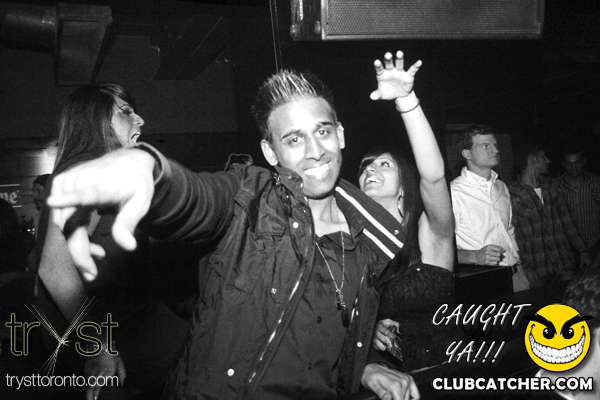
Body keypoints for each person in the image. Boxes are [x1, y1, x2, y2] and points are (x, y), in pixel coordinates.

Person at [45, 53, 422, 399]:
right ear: (271, 152)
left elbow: (322, 326)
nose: (314, 151)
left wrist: (365, 366)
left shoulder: (368, 241)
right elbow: (197, 197)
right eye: (294, 139)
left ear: (339, 135)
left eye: (321, 132)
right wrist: (154, 174)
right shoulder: (250, 195)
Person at [37, 83, 188, 400]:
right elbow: (54, 270)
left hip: (127, 321)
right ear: (96, 119)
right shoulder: (87, 171)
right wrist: (99, 347)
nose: (140, 119)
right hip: (110, 331)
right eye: (126, 112)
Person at [357, 52, 458, 372]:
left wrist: (406, 101)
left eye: (383, 164)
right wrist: (367, 328)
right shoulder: (356, 246)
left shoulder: (430, 232)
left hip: (448, 372)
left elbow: (434, 176)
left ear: (402, 185)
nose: (371, 170)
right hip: (394, 378)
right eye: (366, 167)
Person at [450, 125, 530, 292]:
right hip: (480, 280)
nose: (495, 150)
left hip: (515, 273)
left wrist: (520, 268)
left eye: (495, 145)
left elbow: (508, 231)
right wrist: (473, 256)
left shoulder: (501, 186)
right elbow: (439, 247)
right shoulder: (453, 193)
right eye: (486, 146)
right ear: (467, 153)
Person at [509, 142, 590, 287]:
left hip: (564, 264)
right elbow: (512, 237)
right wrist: (525, 268)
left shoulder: (553, 186)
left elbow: (568, 223)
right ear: (532, 160)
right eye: (543, 157)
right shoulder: (512, 194)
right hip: (537, 269)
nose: (548, 160)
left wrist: (583, 251)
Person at [557, 144, 600, 265]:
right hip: (568, 248)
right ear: (563, 164)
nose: (573, 167)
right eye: (569, 163)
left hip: (595, 244)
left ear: (584, 161)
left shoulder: (596, 182)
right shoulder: (556, 186)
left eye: (577, 163)